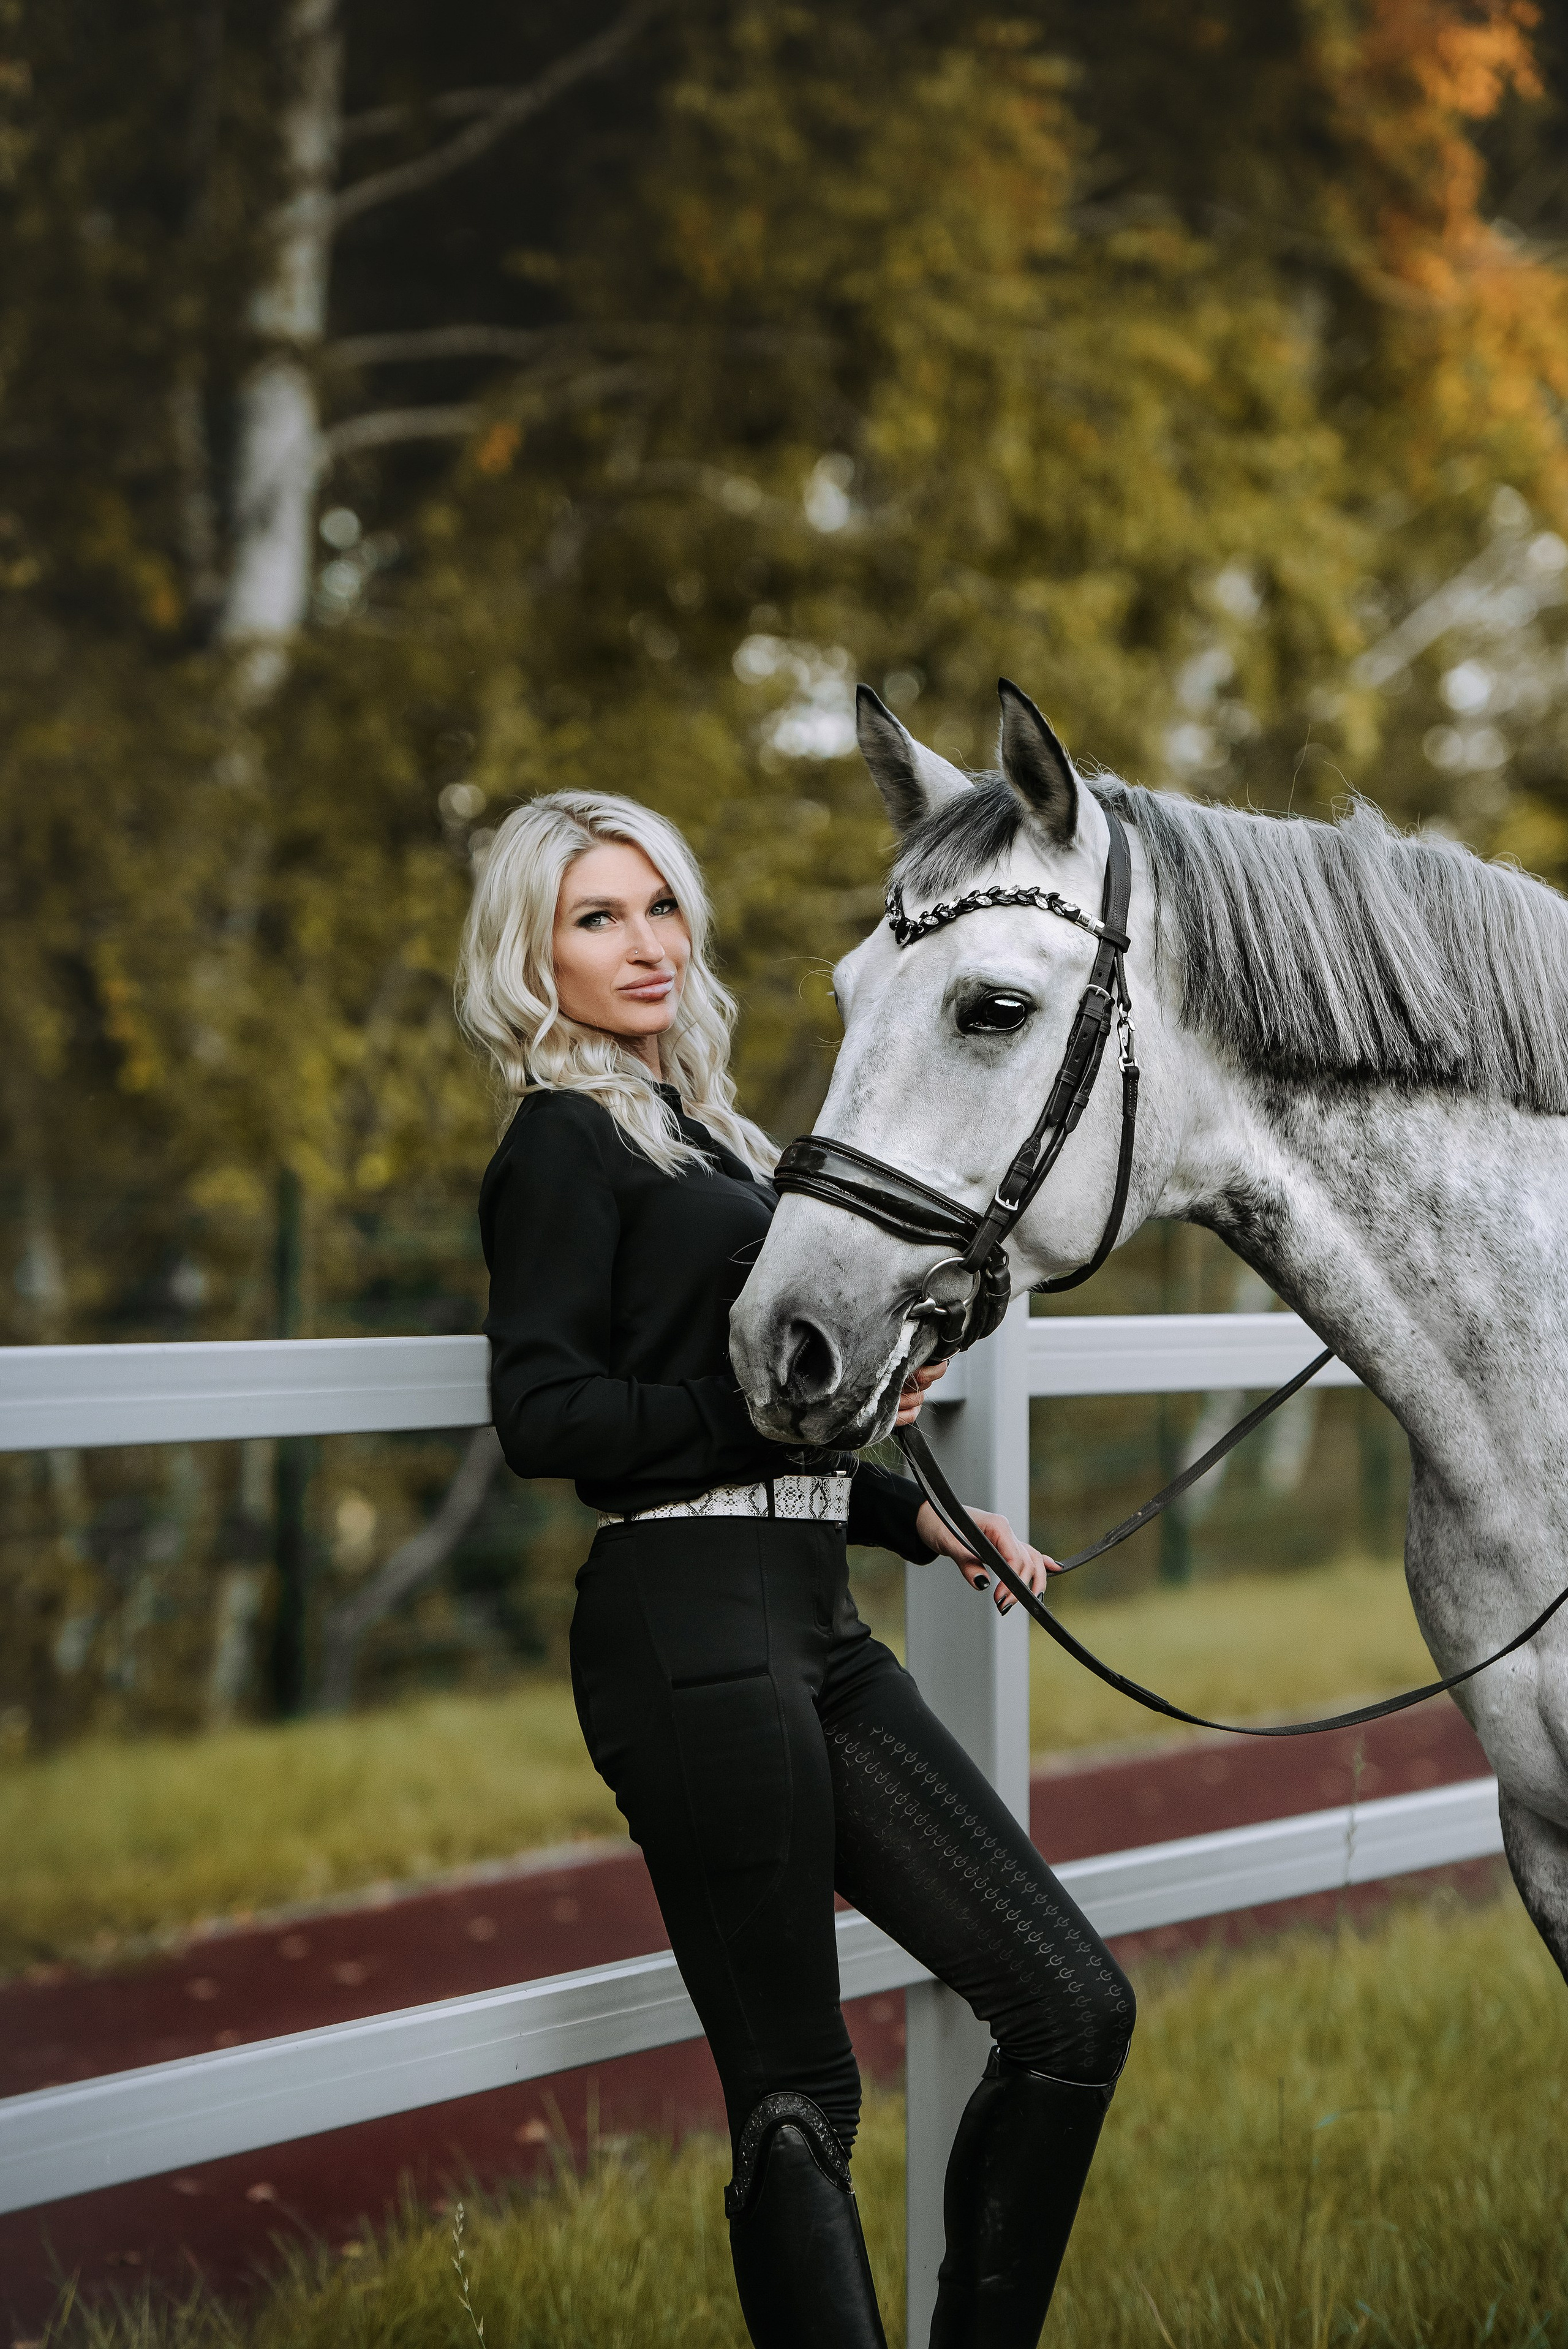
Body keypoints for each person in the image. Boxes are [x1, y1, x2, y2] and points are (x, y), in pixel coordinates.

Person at [459, 790, 1134, 2348]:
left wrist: (916, 1518)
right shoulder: (560, 1138)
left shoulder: (715, 1134)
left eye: (659, 907)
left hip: (808, 1618)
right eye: (595, 917)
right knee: (795, 2093)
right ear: (531, 953)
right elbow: (546, 1414)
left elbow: (778, 1420)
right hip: (682, 1627)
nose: (644, 943)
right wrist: (771, 1406)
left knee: (1067, 2002)